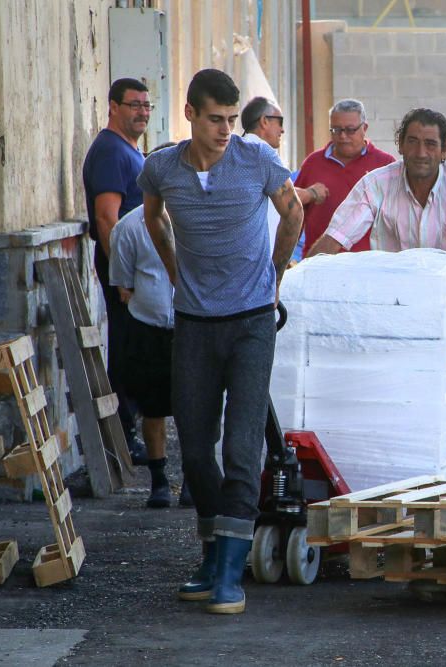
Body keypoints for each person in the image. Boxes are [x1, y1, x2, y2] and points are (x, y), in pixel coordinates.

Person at [138, 69, 303, 614]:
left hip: (253, 320)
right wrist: (173, 270)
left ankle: (231, 572)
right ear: (190, 114)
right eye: (216, 119)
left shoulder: (255, 159)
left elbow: (293, 209)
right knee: (197, 450)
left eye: (232, 119)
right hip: (194, 324)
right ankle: (213, 549)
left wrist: (275, 273)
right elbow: (153, 220)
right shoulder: (161, 167)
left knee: (241, 447)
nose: (226, 129)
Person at [307, 107, 446, 284]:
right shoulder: (375, 185)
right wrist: (301, 275)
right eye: (412, 142)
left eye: (430, 144)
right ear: (400, 144)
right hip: (398, 294)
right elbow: (335, 238)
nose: (420, 153)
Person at [82, 78, 151, 465]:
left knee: (135, 349)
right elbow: (108, 219)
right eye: (133, 105)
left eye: (146, 105)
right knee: (126, 351)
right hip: (121, 267)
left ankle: (127, 433)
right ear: (112, 107)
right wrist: (122, 276)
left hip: (134, 268)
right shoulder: (110, 152)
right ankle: (122, 437)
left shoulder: (128, 151)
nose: (141, 112)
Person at [108, 195, 175, 509]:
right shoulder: (129, 226)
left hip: (192, 325)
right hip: (147, 327)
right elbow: (123, 286)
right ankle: (159, 481)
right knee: (153, 407)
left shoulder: (198, 217)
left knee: (196, 406)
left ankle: (194, 479)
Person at [294, 98, 395, 255]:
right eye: (336, 130)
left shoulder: (385, 164)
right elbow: (295, 213)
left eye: (350, 130)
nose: (342, 136)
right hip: (321, 262)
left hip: (368, 265)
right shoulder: (313, 163)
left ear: (365, 128)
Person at [240, 96, 326, 260]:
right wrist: (312, 193)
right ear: (264, 121)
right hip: (259, 260)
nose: (282, 130)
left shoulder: (238, 152)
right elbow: (286, 199)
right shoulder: (262, 154)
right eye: (280, 121)